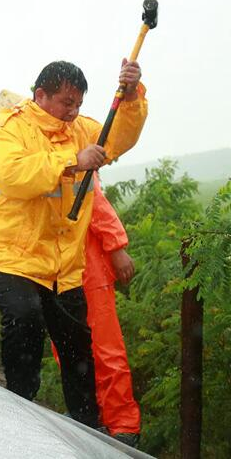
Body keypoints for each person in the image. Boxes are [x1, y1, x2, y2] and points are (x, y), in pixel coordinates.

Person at [0, 59, 148, 428]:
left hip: (62, 265)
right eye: (67, 103)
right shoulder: (8, 127)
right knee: (24, 320)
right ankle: (18, 409)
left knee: (76, 347)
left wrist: (131, 96)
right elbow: (12, 174)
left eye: (79, 105)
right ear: (41, 95)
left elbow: (118, 137)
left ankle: (87, 425)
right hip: (9, 254)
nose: (74, 112)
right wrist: (72, 161)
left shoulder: (80, 129)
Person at [52, 173, 141, 446]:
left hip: (88, 269)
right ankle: (91, 418)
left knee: (105, 350)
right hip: (57, 272)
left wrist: (116, 247)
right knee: (69, 352)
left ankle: (123, 424)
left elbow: (95, 202)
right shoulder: (35, 153)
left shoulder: (71, 150)